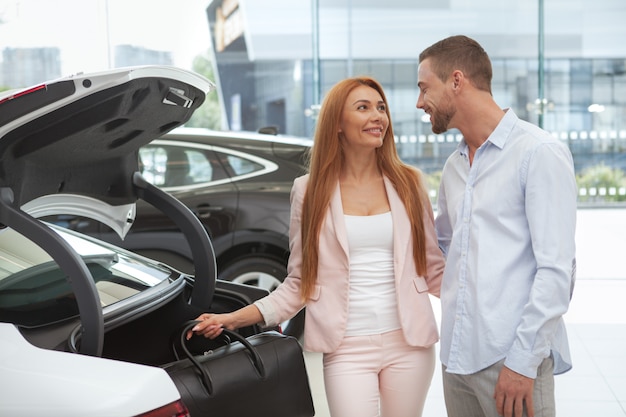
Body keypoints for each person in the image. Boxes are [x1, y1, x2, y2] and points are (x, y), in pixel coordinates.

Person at [189, 76, 445, 417]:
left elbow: (434, 268)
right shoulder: (309, 191)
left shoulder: (410, 182)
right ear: (337, 123)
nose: (378, 116)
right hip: (346, 348)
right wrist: (234, 319)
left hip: (410, 345)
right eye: (363, 107)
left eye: (381, 108)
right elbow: (299, 283)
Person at [416, 35, 577, 417]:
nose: (420, 102)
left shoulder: (537, 153)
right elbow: (444, 252)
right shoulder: (455, 166)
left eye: (424, 88)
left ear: (457, 81)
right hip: (457, 360)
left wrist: (523, 362)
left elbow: (556, 272)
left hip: (511, 359)